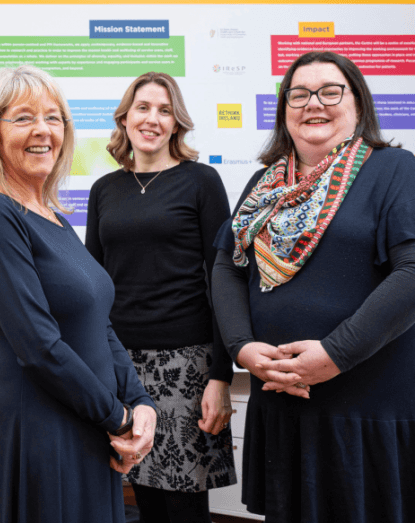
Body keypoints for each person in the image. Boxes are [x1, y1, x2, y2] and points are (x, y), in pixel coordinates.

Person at [212, 51, 415, 522]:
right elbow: (227, 265)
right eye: (298, 94)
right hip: (284, 403)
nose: (313, 104)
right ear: (284, 110)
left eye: (330, 91)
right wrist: (243, 348)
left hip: (364, 407)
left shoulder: (394, 170)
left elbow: (411, 272)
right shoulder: (264, 184)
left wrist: (335, 354)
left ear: (358, 104)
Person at [0, 65, 158, 523]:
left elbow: (99, 324)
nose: (42, 130)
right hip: (42, 426)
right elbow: (38, 346)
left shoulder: (56, 218)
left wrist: (141, 402)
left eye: (53, 118)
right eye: (24, 118)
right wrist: (120, 419)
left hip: (90, 421)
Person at [86, 72, 237, 523]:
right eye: (143, 107)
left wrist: (221, 376)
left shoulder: (201, 181)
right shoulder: (104, 190)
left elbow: (224, 281)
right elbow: (93, 284)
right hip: (118, 363)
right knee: (139, 497)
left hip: (186, 364)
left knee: (183, 504)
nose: (152, 118)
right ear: (125, 118)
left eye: (164, 110)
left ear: (177, 124)